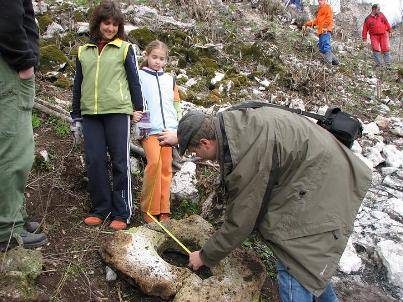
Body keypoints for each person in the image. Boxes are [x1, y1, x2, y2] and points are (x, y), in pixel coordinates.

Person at [174, 103, 371, 301]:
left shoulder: (247, 152)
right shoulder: (233, 124)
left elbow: (243, 220)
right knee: (312, 264)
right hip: (319, 173)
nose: (196, 156)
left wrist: (205, 256)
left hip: (324, 185)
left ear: (205, 143)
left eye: (194, 151)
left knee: (295, 260)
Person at [70, 0, 143, 231]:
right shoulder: (84, 51)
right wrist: (76, 116)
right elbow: (78, 84)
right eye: (106, 23)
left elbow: (135, 81)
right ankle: (101, 209)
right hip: (91, 114)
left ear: (118, 26)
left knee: (120, 162)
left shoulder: (125, 49)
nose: (110, 28)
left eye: (114, 24)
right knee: (95, 161)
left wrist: (138, 110)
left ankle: (123, 212)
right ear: (98, 24)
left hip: (118, 112)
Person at [0, 0, 48, 250]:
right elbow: (8, 16)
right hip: (9, 66)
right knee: (14, 149)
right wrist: (24, 62)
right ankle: (7, 228)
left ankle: (14, 216)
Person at [137, 40, 182, 223]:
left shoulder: (170, 79)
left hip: (168, 131)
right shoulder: (139, 76)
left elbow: (176, 105)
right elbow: (138, 103)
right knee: (154, 164)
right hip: (149, 130)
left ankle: (164, 209)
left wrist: (176, 129)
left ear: (166, 60)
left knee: (166, 168)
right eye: (154, 57)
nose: (158, 62)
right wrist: (142, 127)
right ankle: (149, 209)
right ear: (147, 56)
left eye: (162, 59)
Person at [303, 0, 339, 65]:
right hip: (320, 32)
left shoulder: (328, 7)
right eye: (318, 0)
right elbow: (316, 21)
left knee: (325, 45)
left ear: (325, 0)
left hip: (326, 30)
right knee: (322, 48)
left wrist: (324, 27)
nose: (319, 1)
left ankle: (328, 62)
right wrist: (307, 24)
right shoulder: (320, 9)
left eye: (321, 0)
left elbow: (329, 19)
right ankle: (335, 61)